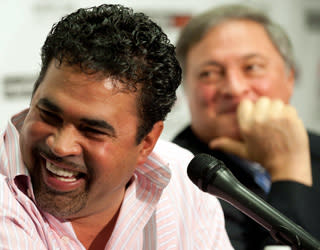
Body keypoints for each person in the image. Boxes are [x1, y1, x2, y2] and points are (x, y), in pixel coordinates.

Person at [0, 4, 233, 249]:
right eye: (48, 115)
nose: (60, 146)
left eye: (92, 130)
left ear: (146, 143)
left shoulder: (184, 182)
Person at [173, 3, 320, 250]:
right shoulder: (173, 178)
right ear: (186, 89)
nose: (234, 88)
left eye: (252, 67)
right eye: (209, 73)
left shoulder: (316, 149)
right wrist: (289, 170)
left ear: (290, 78)